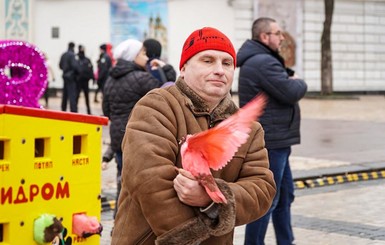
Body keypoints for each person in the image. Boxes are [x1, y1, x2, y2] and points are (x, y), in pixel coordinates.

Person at [111, 27, 276, 244]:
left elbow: (262, 189)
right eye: (207, 60)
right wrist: (190, 235)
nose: (219, 70)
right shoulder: (157, 106)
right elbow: (148, 180)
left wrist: (212, 198)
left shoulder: (249, 128)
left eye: (227, 63)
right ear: (184, 67)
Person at [237, 17, 308, 245]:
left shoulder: (262, 60)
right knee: (267, 199)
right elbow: (290, 91)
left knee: (284, 195)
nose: (282, 37)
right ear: (265, 36)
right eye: (277, 33)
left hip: (277, 140)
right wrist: (298, 81)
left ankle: (286, 241)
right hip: (272, 142)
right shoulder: (262, 62)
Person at [102, 38, 165, 220]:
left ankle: (117, 223)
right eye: (142, 53)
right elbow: (165, 96)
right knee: (140, 184)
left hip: (117, 136)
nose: (145, 58)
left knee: (123, 180)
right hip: (138, 138)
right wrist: (165, 69)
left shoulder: (110, 79)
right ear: (133, 56)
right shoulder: (142, 78)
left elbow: (107, 111)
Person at [59, 42, 79, 112]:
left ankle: (63, 109)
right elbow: (75, 66)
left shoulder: (64, 54)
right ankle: (73, 110)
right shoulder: (72, 55)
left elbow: (60, 65)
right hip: (71, 77)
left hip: (65, 76)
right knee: (72, 95)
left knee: (65, 94)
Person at [76, 45, 94, 114]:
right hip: (78, 81)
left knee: (87, 96)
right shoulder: (76, 58)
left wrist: (92, 78)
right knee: (77, 96)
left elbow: (91, 69)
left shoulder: (87, 59)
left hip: (86, 81)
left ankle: (89, 111)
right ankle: (75, 111)